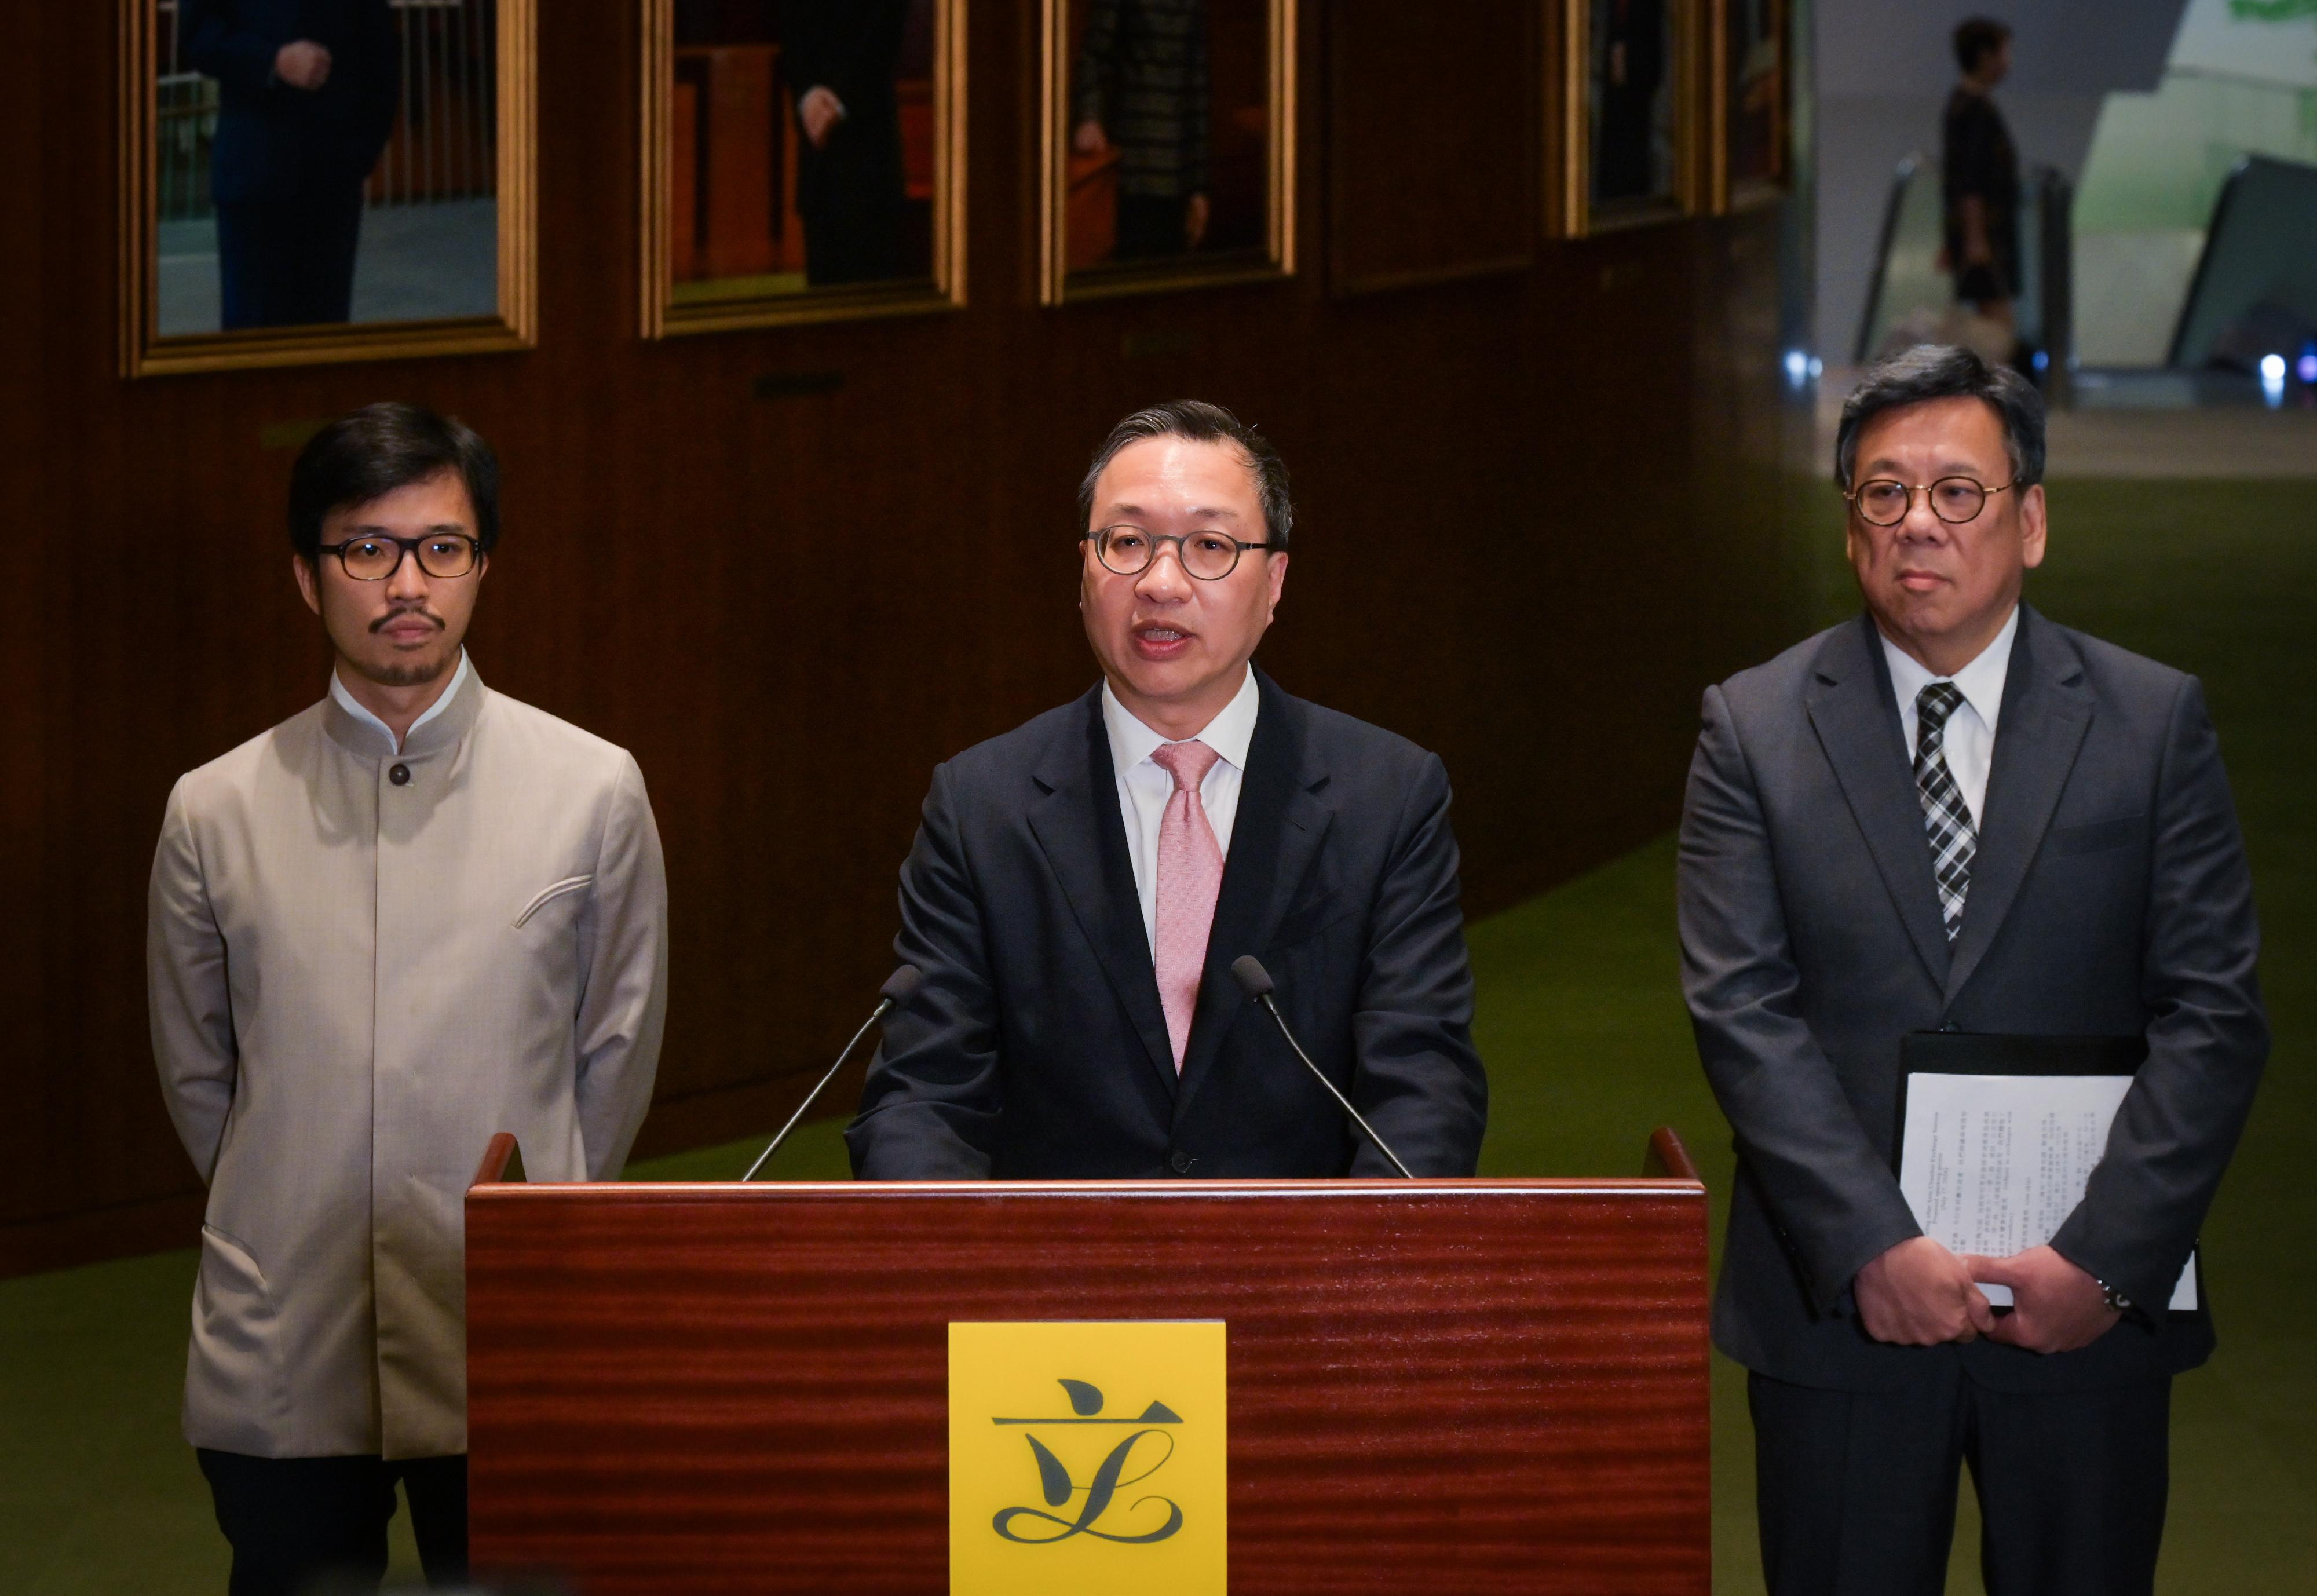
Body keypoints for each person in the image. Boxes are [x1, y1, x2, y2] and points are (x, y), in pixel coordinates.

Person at [1679, 345, 2267, 1596]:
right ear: (1849, 530)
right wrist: (1866, 1246)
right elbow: (1741, 1012)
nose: (1917, 527)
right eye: (1881, 495)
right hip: (1839, 1315)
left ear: (2031, 520)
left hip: (2079, 1314)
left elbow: (2211, 1015)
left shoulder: (2151, 721)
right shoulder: (1754, 726)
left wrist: (2106, 1261)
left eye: (1958, 493)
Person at [148, 404, 670, 1596]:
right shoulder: (213, 808)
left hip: (507, 1328)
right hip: (285, 1326)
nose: (405, 583)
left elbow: (614, 1056)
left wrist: (549, 1226)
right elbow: (200, 1077)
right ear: (306, 575)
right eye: (365, 548)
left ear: (482, 565)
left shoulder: (591, 789)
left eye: (441, 548)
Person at [847, 400, 1487, 1179]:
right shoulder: (983, 805)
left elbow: (1422, 1087)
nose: (1160, 582)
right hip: (1057, 1284)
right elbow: (923, 1097)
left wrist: (1350, 1278)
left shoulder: (1386, 796)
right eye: (1126, 542)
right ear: (1084, 571)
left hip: (1297, 1274)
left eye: (1209, 546)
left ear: (1275, 579)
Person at [180, 0, 400, 329]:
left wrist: (360, 156)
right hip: (254, 172)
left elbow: (381, 54)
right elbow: (198, 39)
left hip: (332, 175)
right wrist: (274, 62)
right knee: (254, 339)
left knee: (323, 337)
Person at [781, 0, 912, 286]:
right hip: (819, 160)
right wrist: (807, 97)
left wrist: (837, 101)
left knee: (871, 287)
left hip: (869, 155)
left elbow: (883, 34)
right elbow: (790, 30)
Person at [1072, 0, 1212, 260]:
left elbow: (1197, 90)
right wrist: (1089, 118)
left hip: (1176, 173)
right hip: (1132, 166)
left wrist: (1199, 188)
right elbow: (1092, 56)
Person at [1942, 18, 2021, 342]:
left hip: (1979, 233)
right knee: (1999, 324)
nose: (2008, 62)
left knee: (1988, 319)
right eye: (2004, 52)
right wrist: (1976, 238)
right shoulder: (1975, 109)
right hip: (1988, 234)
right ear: (1986, 56)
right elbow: (1972, 179)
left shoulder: (1962, 104)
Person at [1595, 0, 1667, 202]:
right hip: (1612, 90)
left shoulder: (1649, 6)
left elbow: (1654, 46)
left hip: (1638, 89)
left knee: (1633, 154)